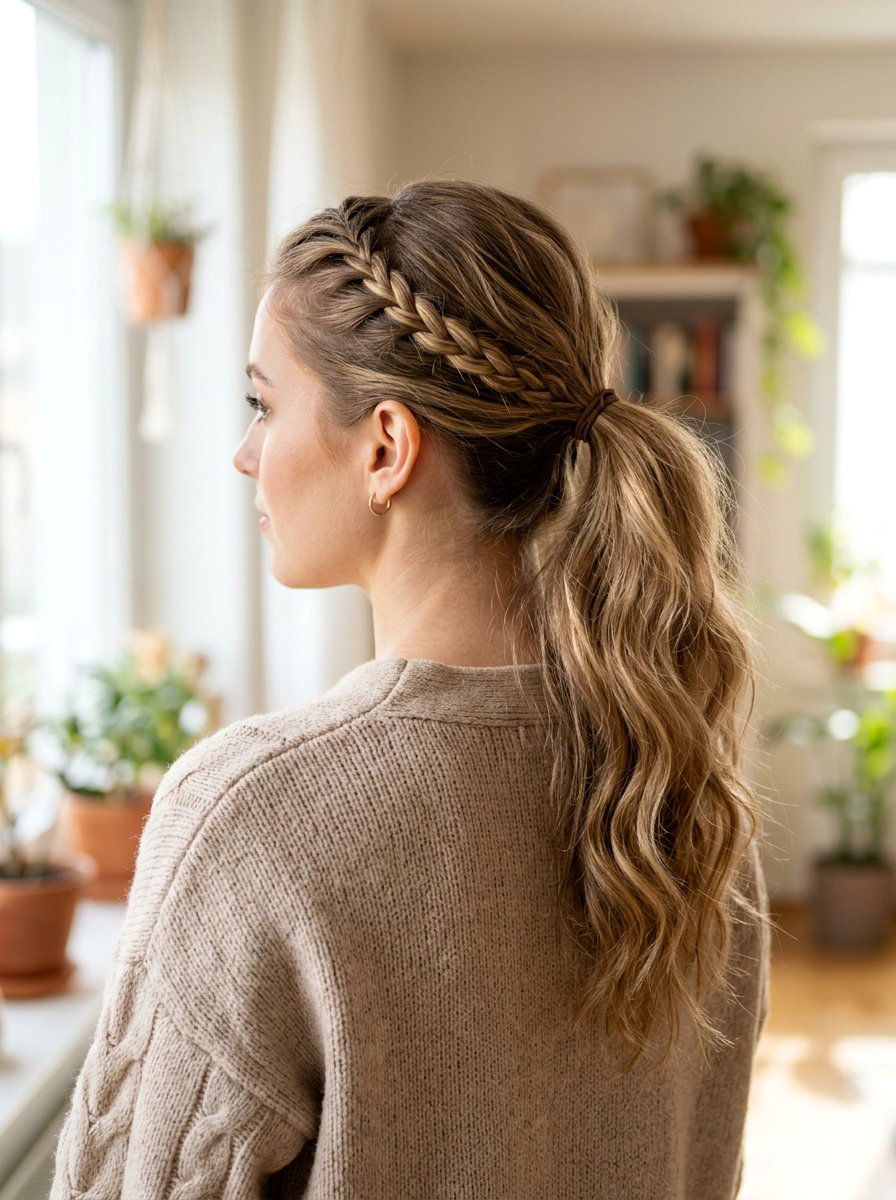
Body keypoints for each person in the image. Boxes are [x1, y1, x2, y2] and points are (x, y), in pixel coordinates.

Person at [50, 178, 771, 1200]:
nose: (244, 455)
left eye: (263, 404)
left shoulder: (252, 819)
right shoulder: (680, 801)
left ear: (386, 447)